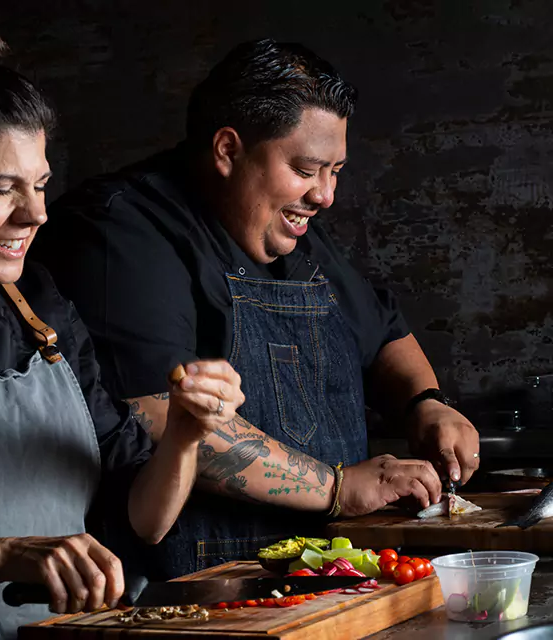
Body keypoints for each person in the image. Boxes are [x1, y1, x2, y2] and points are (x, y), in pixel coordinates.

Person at [37, 38, 480, 579]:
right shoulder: (118, 233)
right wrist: (339, 487)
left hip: (326, 577)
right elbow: (155, 417)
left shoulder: (291, 230)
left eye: (335, 171)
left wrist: (427, 404)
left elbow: (384, 328)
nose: (326, 196)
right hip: (189, 590)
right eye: (307, 169)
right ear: (228, 150)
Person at [0, 14, 245, 640]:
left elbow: (142, 520)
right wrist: (0, 555)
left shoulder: (39, 307)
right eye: (1, 186)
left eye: (40, 184)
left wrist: (183, 434)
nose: (36, 212)